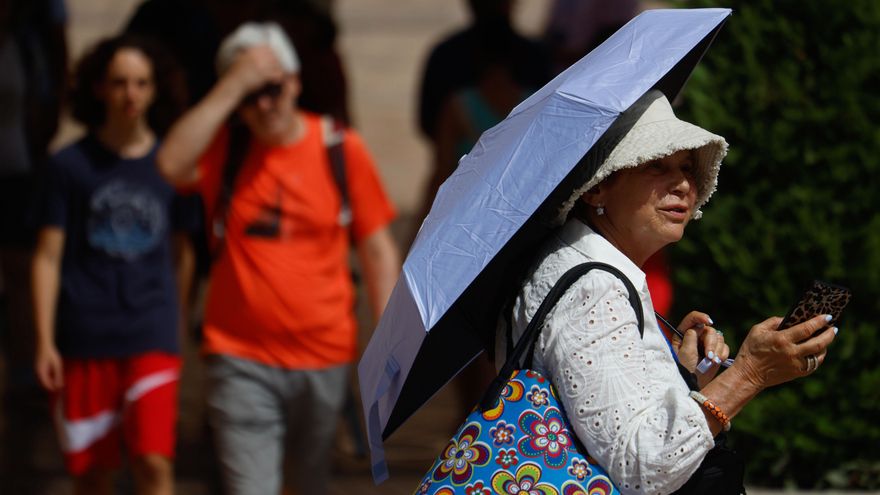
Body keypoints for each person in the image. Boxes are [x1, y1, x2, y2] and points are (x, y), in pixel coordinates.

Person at [496, 90, 837, 494]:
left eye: (687, 167)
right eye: (657, 165)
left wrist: (685, 375)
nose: (681, 184)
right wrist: (750, 373)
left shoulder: (583, 266)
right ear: (597, 188)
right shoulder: (593, 289)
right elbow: (644, 466)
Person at [157, 22, 400, 494]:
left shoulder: (340, 148)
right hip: (239, 357)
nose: (264, 104)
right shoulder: (223, 150)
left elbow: (376, 248)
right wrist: (233, 85)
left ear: (294, 81)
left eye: (270, 88)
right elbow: (169, 164)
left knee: (308, 482)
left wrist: (391, 346)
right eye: (250, 96)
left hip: (324, 356)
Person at [31, 33, 193, 495]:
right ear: (99, 88)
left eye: (141, 83)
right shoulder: (69, 166)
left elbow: (183, 254)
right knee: (93, 475)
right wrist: (44, 342)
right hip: (86, 335)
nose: (131, 94)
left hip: (151, 332)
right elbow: (46, 256)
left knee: (153, 462)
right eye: (119, 83)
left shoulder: (172, 164)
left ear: (155, 89)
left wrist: (175, 324)